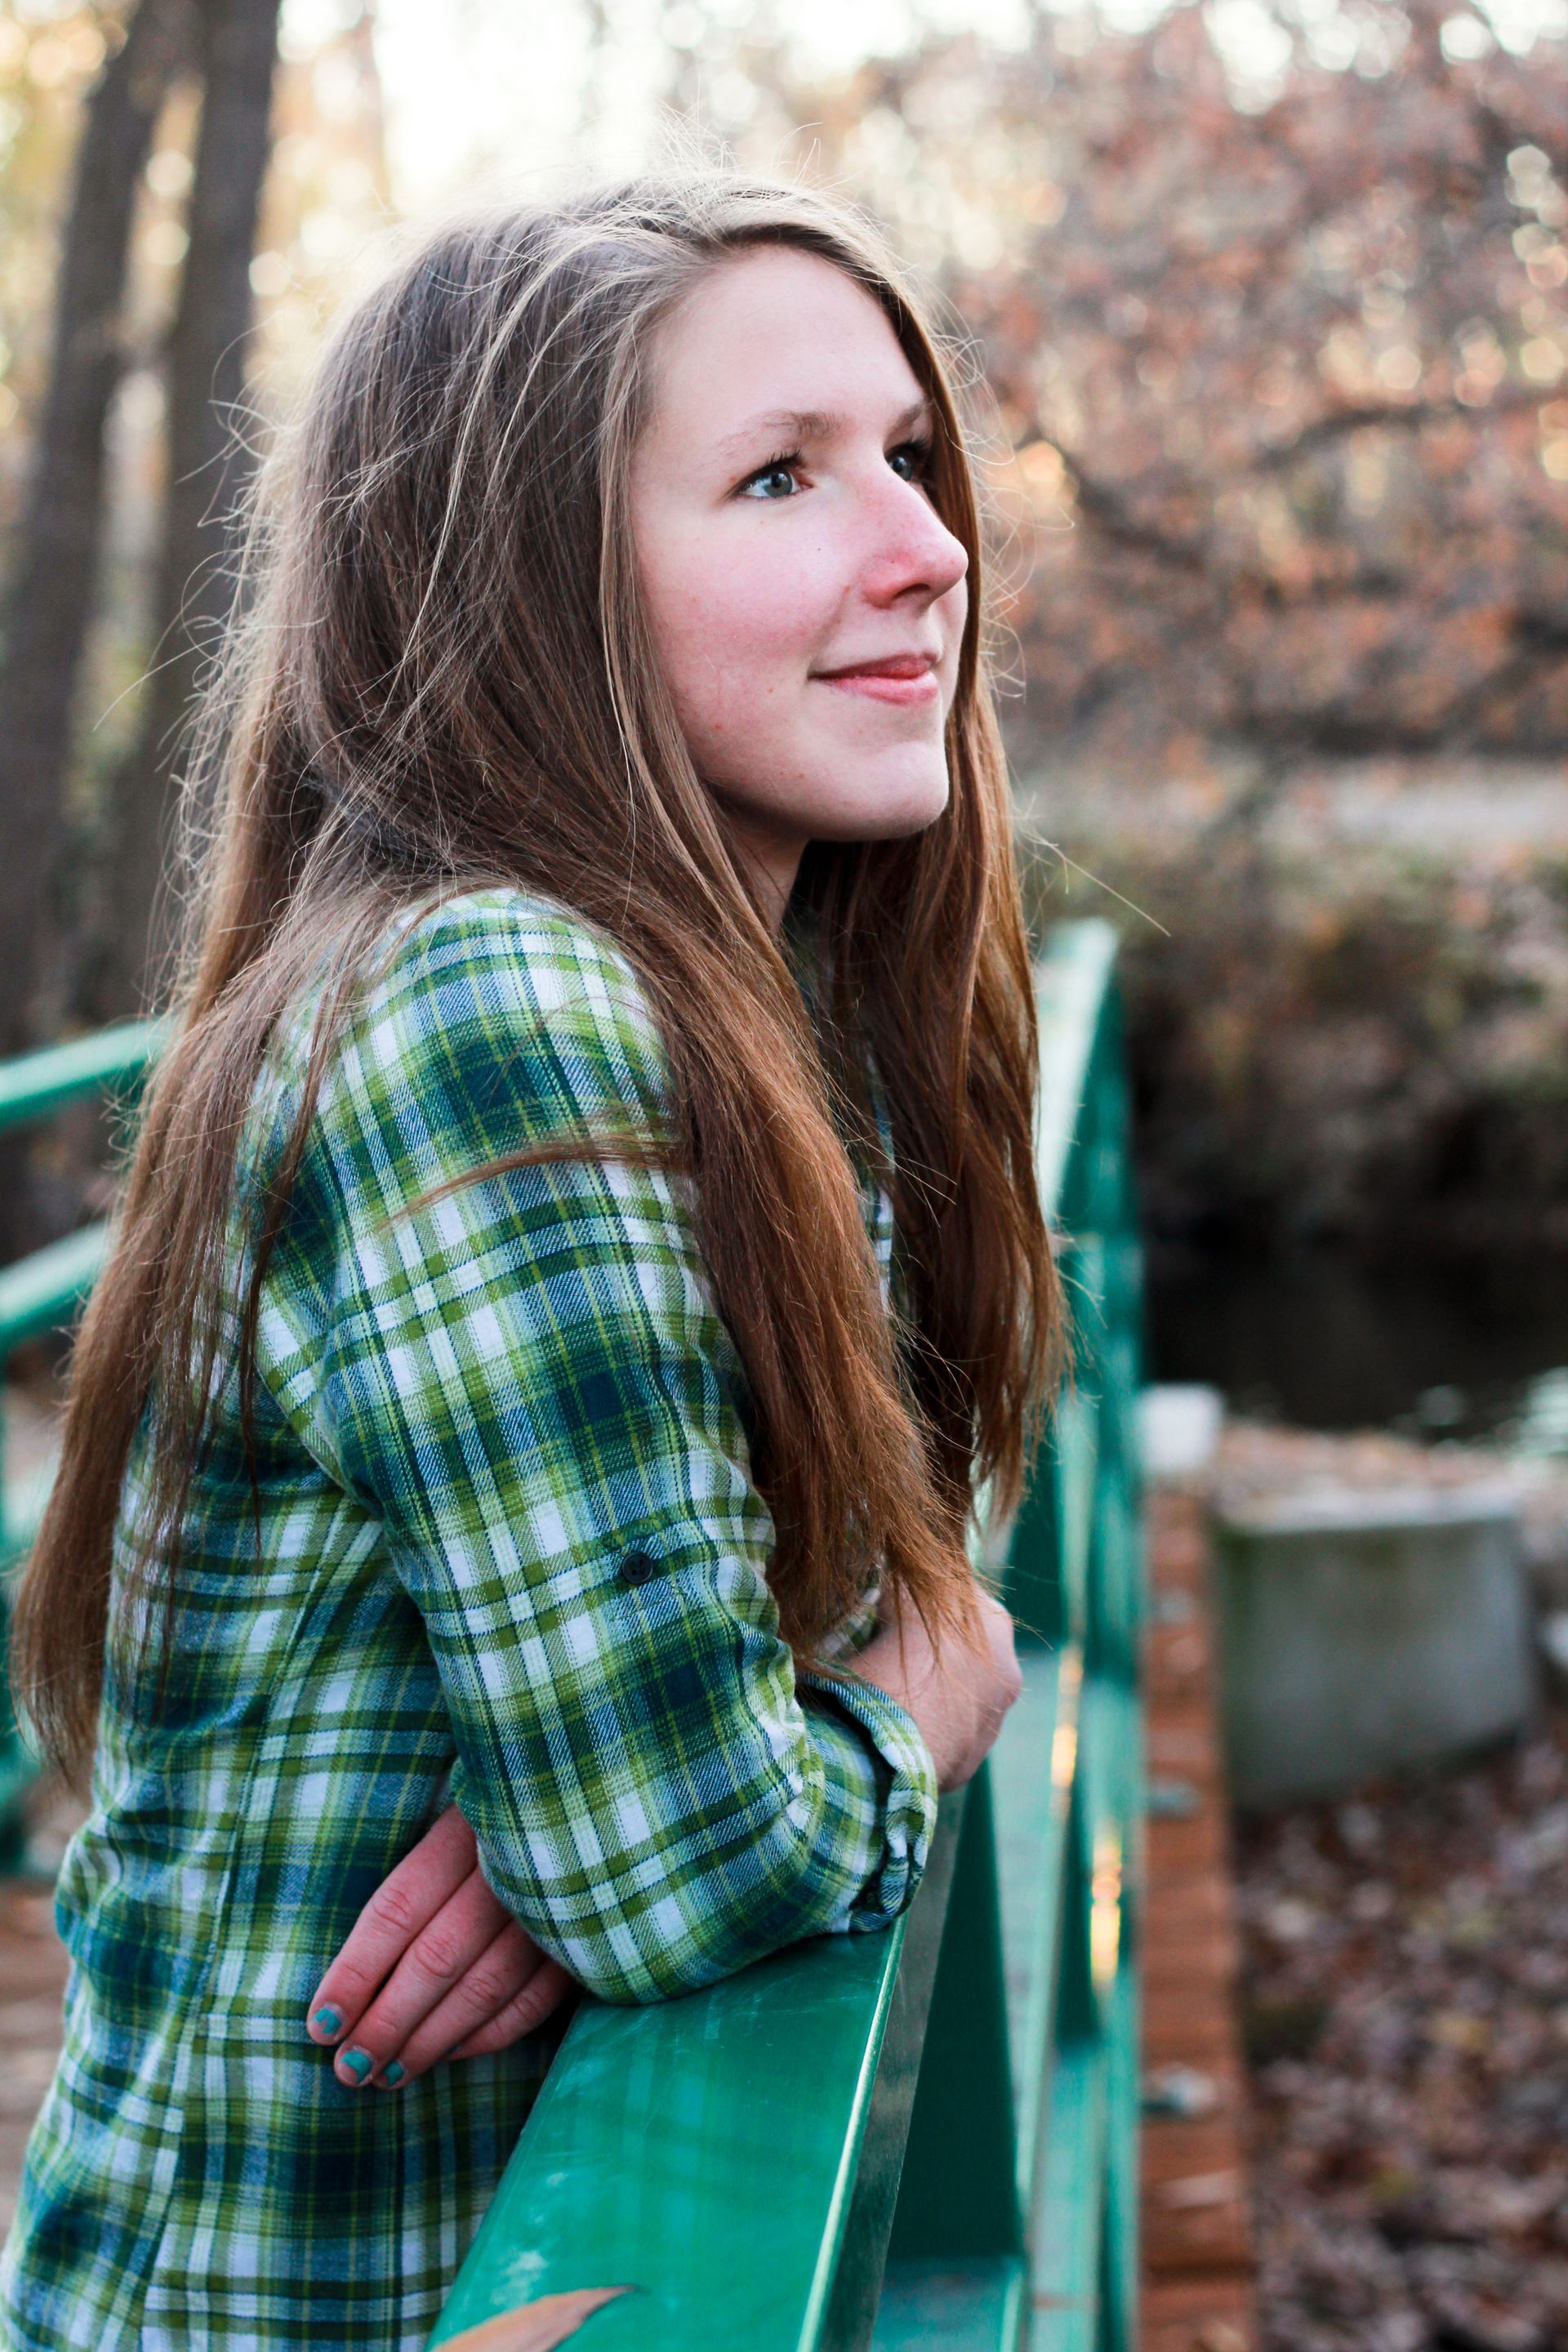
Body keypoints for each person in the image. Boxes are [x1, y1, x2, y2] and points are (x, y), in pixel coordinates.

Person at [0, 170, 1058, 2350]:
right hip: (303, 2296)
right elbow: (689, 1853)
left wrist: (634, 1762)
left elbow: (734, 1696)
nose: (927, 548)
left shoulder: (772, 1017)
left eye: (908, 458)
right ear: (524, 589)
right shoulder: (493, 1005)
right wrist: (927, 1679)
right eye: (782, 474)